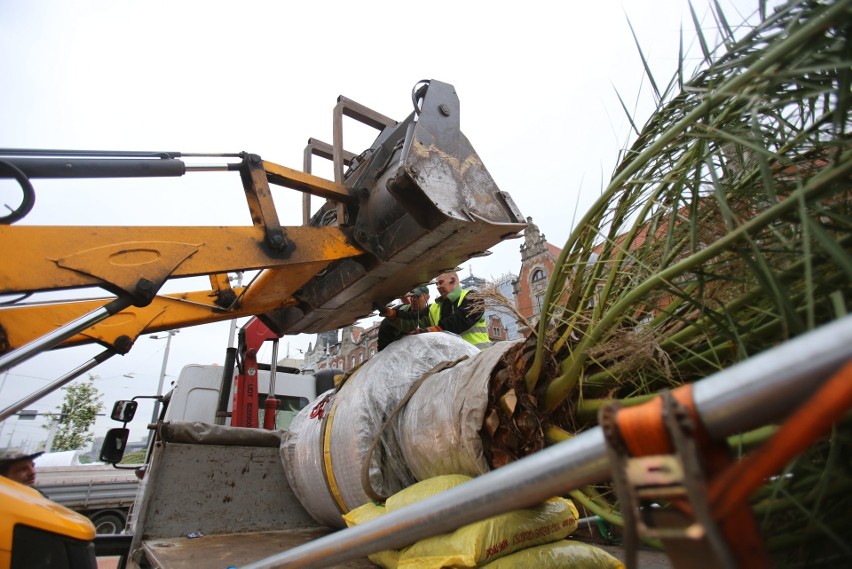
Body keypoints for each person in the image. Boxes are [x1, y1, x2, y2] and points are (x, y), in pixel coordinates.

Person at [428, 272, 492, 349]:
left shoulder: (474, 297)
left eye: (441, 283)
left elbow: (460, 319)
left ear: (453, 280)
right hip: (456, 358)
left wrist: (437, 328)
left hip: (478, 356)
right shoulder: (435, 306)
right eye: (436, 284)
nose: (438, 287)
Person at [377, 285, 431, 351]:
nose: (413, 300)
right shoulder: (399, 310)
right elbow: (385, 328)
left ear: (427, 297)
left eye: (417, 297)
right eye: (411, 296)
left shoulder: (431, 313)